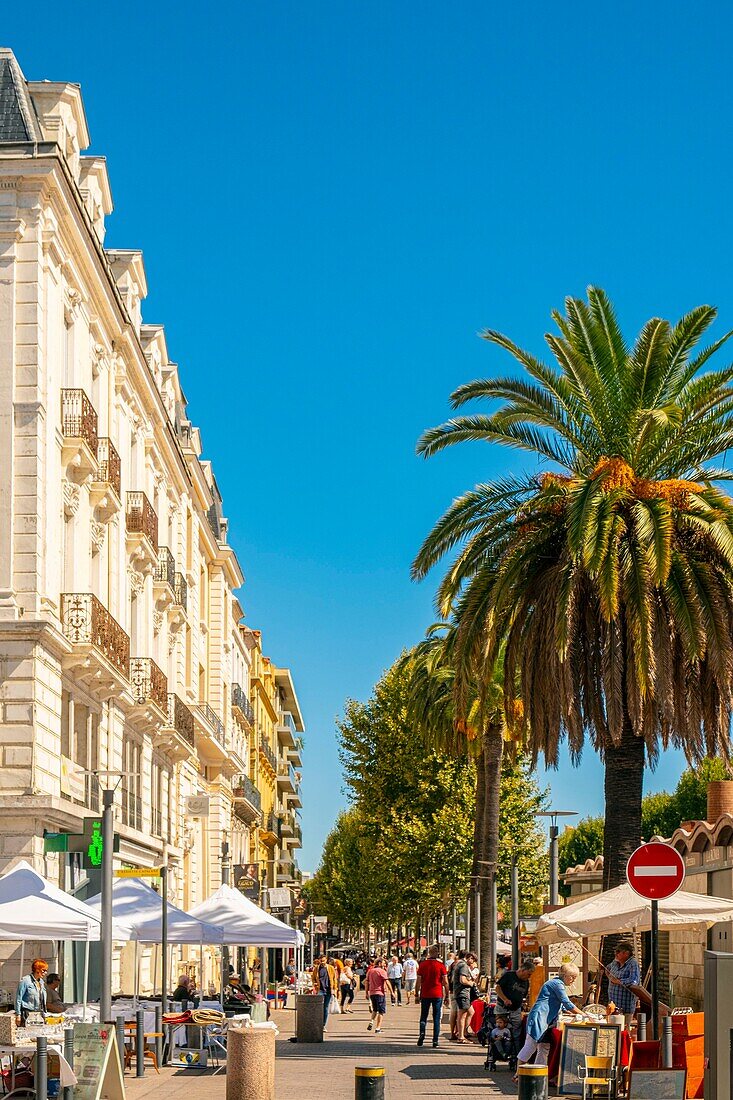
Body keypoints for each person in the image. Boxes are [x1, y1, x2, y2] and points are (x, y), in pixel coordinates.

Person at [516, 963, 583, 1079]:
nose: (573, 980)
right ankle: (518, 1074)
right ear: (565, 975)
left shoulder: (555, 983)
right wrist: (584, 1014)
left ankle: (538, 1076)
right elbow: (567, 1003)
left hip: (545, 1020)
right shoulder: (557, 984)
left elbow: (561, 1005)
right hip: (539, 1017)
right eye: (572, 977)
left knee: (544, 1047)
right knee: (531, 1045)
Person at [495, 959, 535, 1052]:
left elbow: (523, 995)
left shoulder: (526, 982)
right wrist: (505, 999)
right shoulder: (509, 975)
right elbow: (498, 988)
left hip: (516, 1010)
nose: (529, 977)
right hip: (503, 1008)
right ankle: (501, 1052)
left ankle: (516, 1054)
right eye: (528, 974)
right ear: (522, 970)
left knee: (516, 1033)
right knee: (501, 1031)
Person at [416, 944, 449, 1048]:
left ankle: (422, 1034)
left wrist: (417, 994)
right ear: (437, 953)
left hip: (425, 994)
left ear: (429, 953)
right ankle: (435, 1040)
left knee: (423, 1016)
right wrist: (447, 995)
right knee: (436, 1018)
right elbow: (445, 982)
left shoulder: (423, 965)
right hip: (437, 994)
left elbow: (418, 981)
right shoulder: (441, 966)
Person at [606, 941, 641, 1028]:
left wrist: (617, 981)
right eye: (616, 951)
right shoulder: (615, 962)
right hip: (613, 1003)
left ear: (626, 953)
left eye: (618, 952)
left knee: (624, 1029)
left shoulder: (632, 963)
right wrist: (609, 977)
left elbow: (634, 980)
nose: (616, 954)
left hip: (625, 1005)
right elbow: (607, 968)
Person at [452, 950, 477, 1043]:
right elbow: (462, 980)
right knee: (462, 1015)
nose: (473, 962)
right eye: (473, 960)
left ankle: (464, 1032)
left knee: (471, 1011)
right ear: (470, 958)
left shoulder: (459, 964)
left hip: (461, 993)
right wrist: (470, 983)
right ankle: (461, 1036)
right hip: (462, 993)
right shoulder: (463, 965)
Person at [16, 958, 47, 1023]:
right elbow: (18, 998)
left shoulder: (41, 982)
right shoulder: (25, 980)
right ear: (37, 969)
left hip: (39, 1013)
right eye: (43, 970)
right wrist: (18, 1014)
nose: (45, 973)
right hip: (27, 1013)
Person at [366, 956, 392, 1034]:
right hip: (380, 993)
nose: (384, 965)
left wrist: (366, 992)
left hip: (372, 993)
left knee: (375, 1009)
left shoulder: (370, 971)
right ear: (380, 963)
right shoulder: (382, 971)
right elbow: (387, 981)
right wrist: (392, 992)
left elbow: (367, 982)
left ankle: (371, 1021)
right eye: (383, 963)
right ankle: (378, 1028)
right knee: (381, 1011)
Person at [310, 954, 338, 1028]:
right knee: (319, 1007)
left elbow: (334, 979)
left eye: (324, 960)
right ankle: (318, 1023)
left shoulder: (331, 968)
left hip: (328, 990)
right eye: (321, 961)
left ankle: (323, 1025)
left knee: (325, 1008)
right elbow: (313, 978)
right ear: (319, 960)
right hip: (320, 990)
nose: (322, 962)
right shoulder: (317, 968)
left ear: (326, 960)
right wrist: (315, 984)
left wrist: (334, 989)